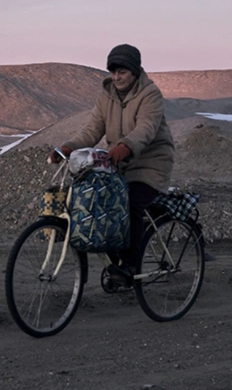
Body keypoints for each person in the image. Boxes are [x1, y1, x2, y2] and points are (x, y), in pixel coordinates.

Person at [49, 44, 175, 285]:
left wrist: (125, 146)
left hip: (151, 163)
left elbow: (146, 129)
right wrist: (68, 147)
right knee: (99, 199)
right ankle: (114, 254)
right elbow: (93, 128)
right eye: (113, 72)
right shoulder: (107, 95)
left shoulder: (150, 94)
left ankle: (129, 265)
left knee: (129, 202)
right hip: (119, 162)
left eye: (122, 72)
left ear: (135, 71)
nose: (116, 77)